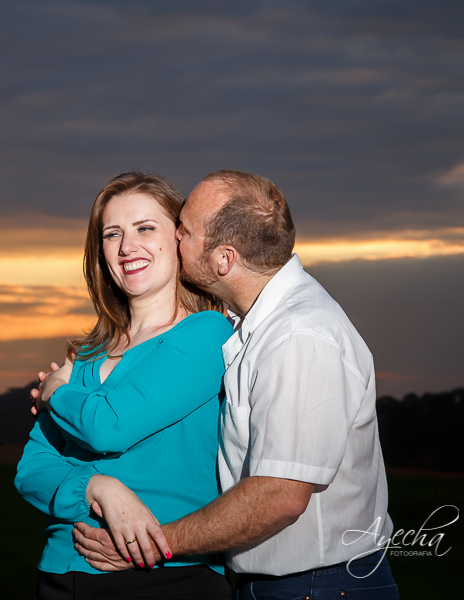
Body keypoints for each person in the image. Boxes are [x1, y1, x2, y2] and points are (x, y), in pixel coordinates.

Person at [72, 170, 400, 599]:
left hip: (315, 587)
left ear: (224, 259)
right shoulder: (252, 326)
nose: (174, 240)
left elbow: (278, 496)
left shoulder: (298, 337)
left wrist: (152, 543)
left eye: (183, 232)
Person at [14, 172, 235, 599]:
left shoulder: (206, 335)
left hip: (167, 577)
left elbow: (108, 426)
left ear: (179, 238)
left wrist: (56, 392)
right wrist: (98, 489)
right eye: (112, 234)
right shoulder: (88, 354)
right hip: (63, 573)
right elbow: (31, 471)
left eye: (145, 229)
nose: (127, 247)